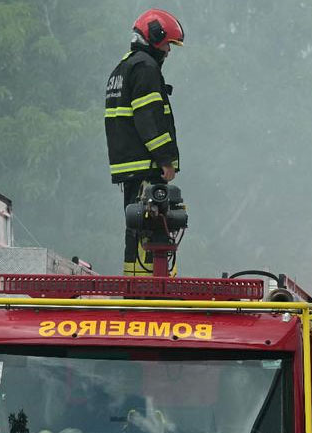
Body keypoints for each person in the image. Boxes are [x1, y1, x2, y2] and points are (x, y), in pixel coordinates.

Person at [105, 8, 184, 276]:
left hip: (130, 166)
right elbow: (149, 120)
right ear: (154, 36)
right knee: (154, 228)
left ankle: (135, 284)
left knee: (136, 227)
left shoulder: (124, 67)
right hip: (146, 165)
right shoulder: (145, 68)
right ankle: (151, 289)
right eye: (167, 44)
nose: (168, 52)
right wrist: (165, 160)